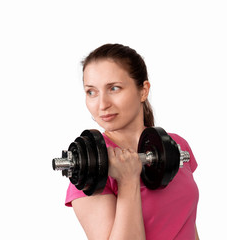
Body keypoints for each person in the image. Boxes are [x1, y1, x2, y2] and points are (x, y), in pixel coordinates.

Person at [64, 43, 199, 240]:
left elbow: (187, 224)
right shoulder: (88, 170)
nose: (102, 104)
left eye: (114, 88)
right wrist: (128, 181)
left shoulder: (176, 145)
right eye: (91, 92)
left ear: (143, 90)